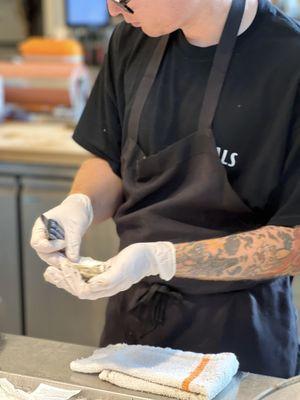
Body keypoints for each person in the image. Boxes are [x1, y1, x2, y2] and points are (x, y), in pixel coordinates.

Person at [31, 0, 300, 378]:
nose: (112, 10)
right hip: (133, 320)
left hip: (237, 338)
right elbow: (110, 160)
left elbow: (294, 243)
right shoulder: (132, 38)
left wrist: (162, 259)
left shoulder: (289, 63)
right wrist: (80, 206)